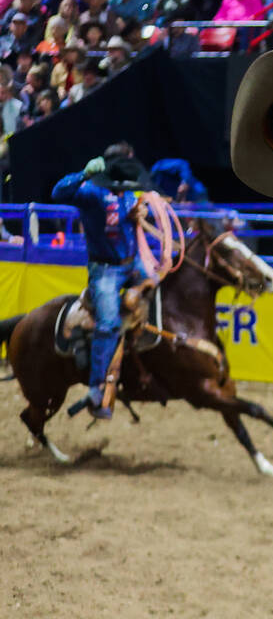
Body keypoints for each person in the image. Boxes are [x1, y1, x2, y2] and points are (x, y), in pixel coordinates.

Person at [50, 144, 155, 420]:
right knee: (107, 324)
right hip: (105, 270)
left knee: (158, 281)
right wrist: (82, 174)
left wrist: (138, 215)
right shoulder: (91, 192)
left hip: (131, 263)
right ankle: (97, 388)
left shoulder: (128, 193)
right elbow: (58, 192)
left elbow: (135, 214)